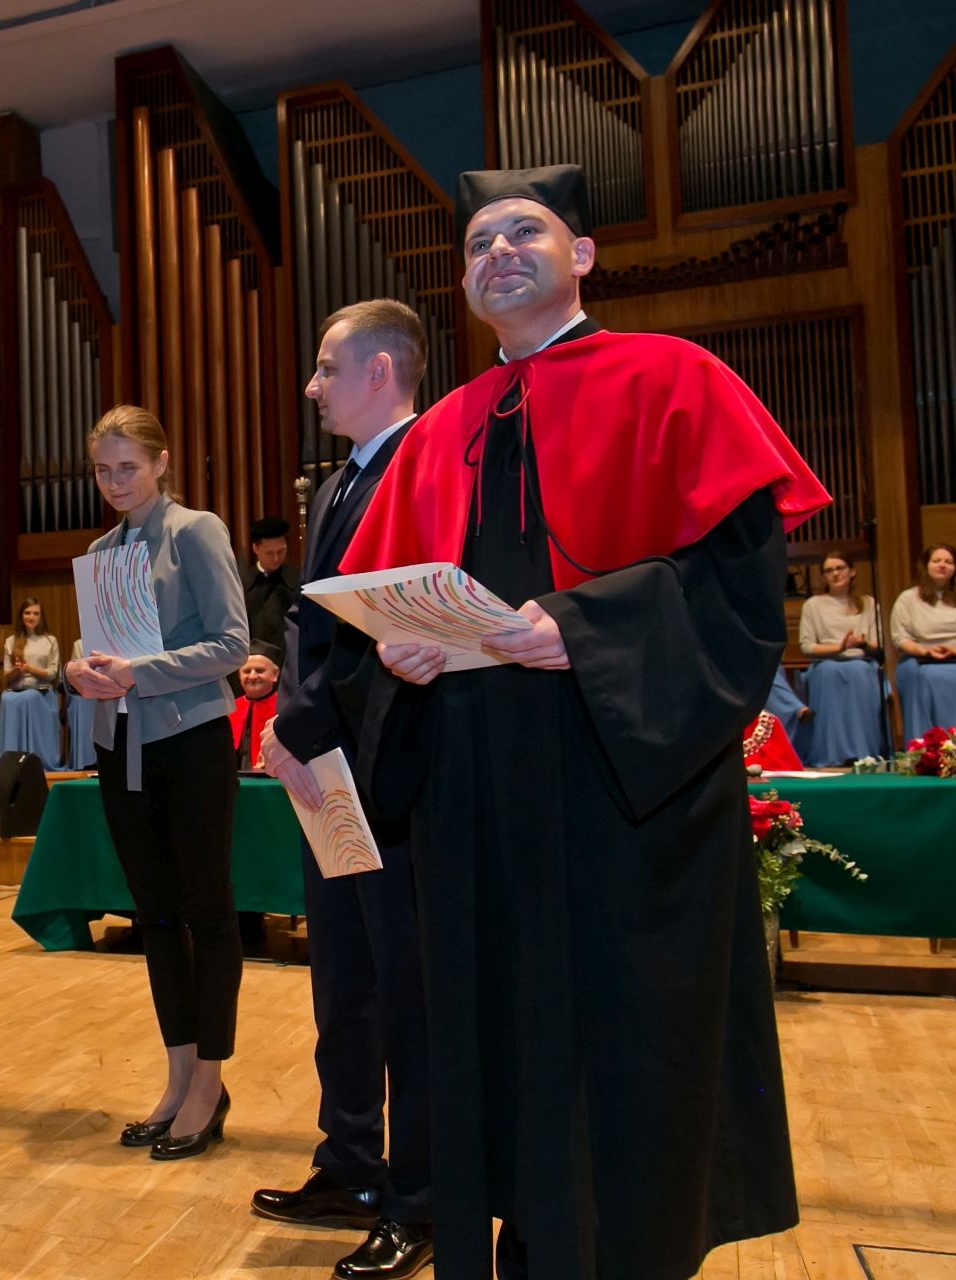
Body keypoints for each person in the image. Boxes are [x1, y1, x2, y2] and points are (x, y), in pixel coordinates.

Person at [342, 165, 827, 1279]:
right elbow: (388, 605)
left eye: (525, 231)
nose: (498, 253)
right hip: (480, 790)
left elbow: (739, 588)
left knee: (630, 1042)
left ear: (584, 254)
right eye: (478, 243)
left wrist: (582, 627)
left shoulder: (675, 378)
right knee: (499, 1037)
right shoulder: (442, 428)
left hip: (627, 783)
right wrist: (402, 655)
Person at [253, 297, 433, 1280]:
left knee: (408, 988)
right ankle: (351, 1163)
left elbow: (394, 618)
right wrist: (291, 719)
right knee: (345, 975)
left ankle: (421, 1197)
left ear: (380, 371)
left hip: (392, 759)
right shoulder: (334, 486)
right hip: (325, 760)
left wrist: (304, 721)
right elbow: (309, 622)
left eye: (327, 367)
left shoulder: (430, 462)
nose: (312, 385)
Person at [67, 405, 249, 1161]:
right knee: (156, 916)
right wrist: (79, 668)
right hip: (121, 746)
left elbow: (232, 643)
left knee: (207, 910)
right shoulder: (100, 551)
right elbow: (101, 649)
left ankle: (210, 1082)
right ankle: (177, 1078)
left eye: (128, 468)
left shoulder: (195, 531)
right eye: (103, 470)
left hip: (191, 740)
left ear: (161, 462)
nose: (115, 482)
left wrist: (140, 671)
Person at [890, 543, 956, 738]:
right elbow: (900, 638)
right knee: (914, 674)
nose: (942, 565)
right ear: (926, 565)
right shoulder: (907, 599)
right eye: (936, 560)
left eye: (949, 561)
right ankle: (925, 745)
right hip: (921, 656)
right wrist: (925, 651)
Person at [798, 549, 886, 763]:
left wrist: (862, 643)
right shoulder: (813, 605)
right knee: (828, 672)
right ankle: (830, 753)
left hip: (860, 661)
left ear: (852, 571)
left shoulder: (868, 603)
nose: (835, 574)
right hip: (826, 662)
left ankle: (865, 753)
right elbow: (807, 646)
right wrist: (839, 647)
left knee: (860, 671)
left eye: (840, 568)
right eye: (829, 570)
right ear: (823, 577)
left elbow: (879, 645)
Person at [0, 597, 62, 772]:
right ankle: (10, 759)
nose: (31, 617)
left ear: (41, 617)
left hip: (41, 691)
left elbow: (52, 673)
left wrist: (31, 669)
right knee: (6, 698)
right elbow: (7, 675)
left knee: (29, 696)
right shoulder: (11, 641)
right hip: (17, 688)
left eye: (35, 613)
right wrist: (16, 670)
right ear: (21, 616)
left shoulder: (50, 641)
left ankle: (33, 758)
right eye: (27, 613)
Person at [242, 517, 298, 653]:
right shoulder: (241, 583)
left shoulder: (297, 580)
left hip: (288, 658)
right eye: (269, 553)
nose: (276, 558)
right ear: (255, 548)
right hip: (251, 659)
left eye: (281, 551)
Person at [229, 642, 282, 771]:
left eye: (259, 671)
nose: (252, 676)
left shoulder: (285, 707)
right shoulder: (229, 708)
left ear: (275, 674)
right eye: (246, 671)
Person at [64, 637, 98, 769]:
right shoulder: (78, 644)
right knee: (79, 701)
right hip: (88, 689)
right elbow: (75, 675)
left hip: (112, 686)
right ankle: (83, 760)